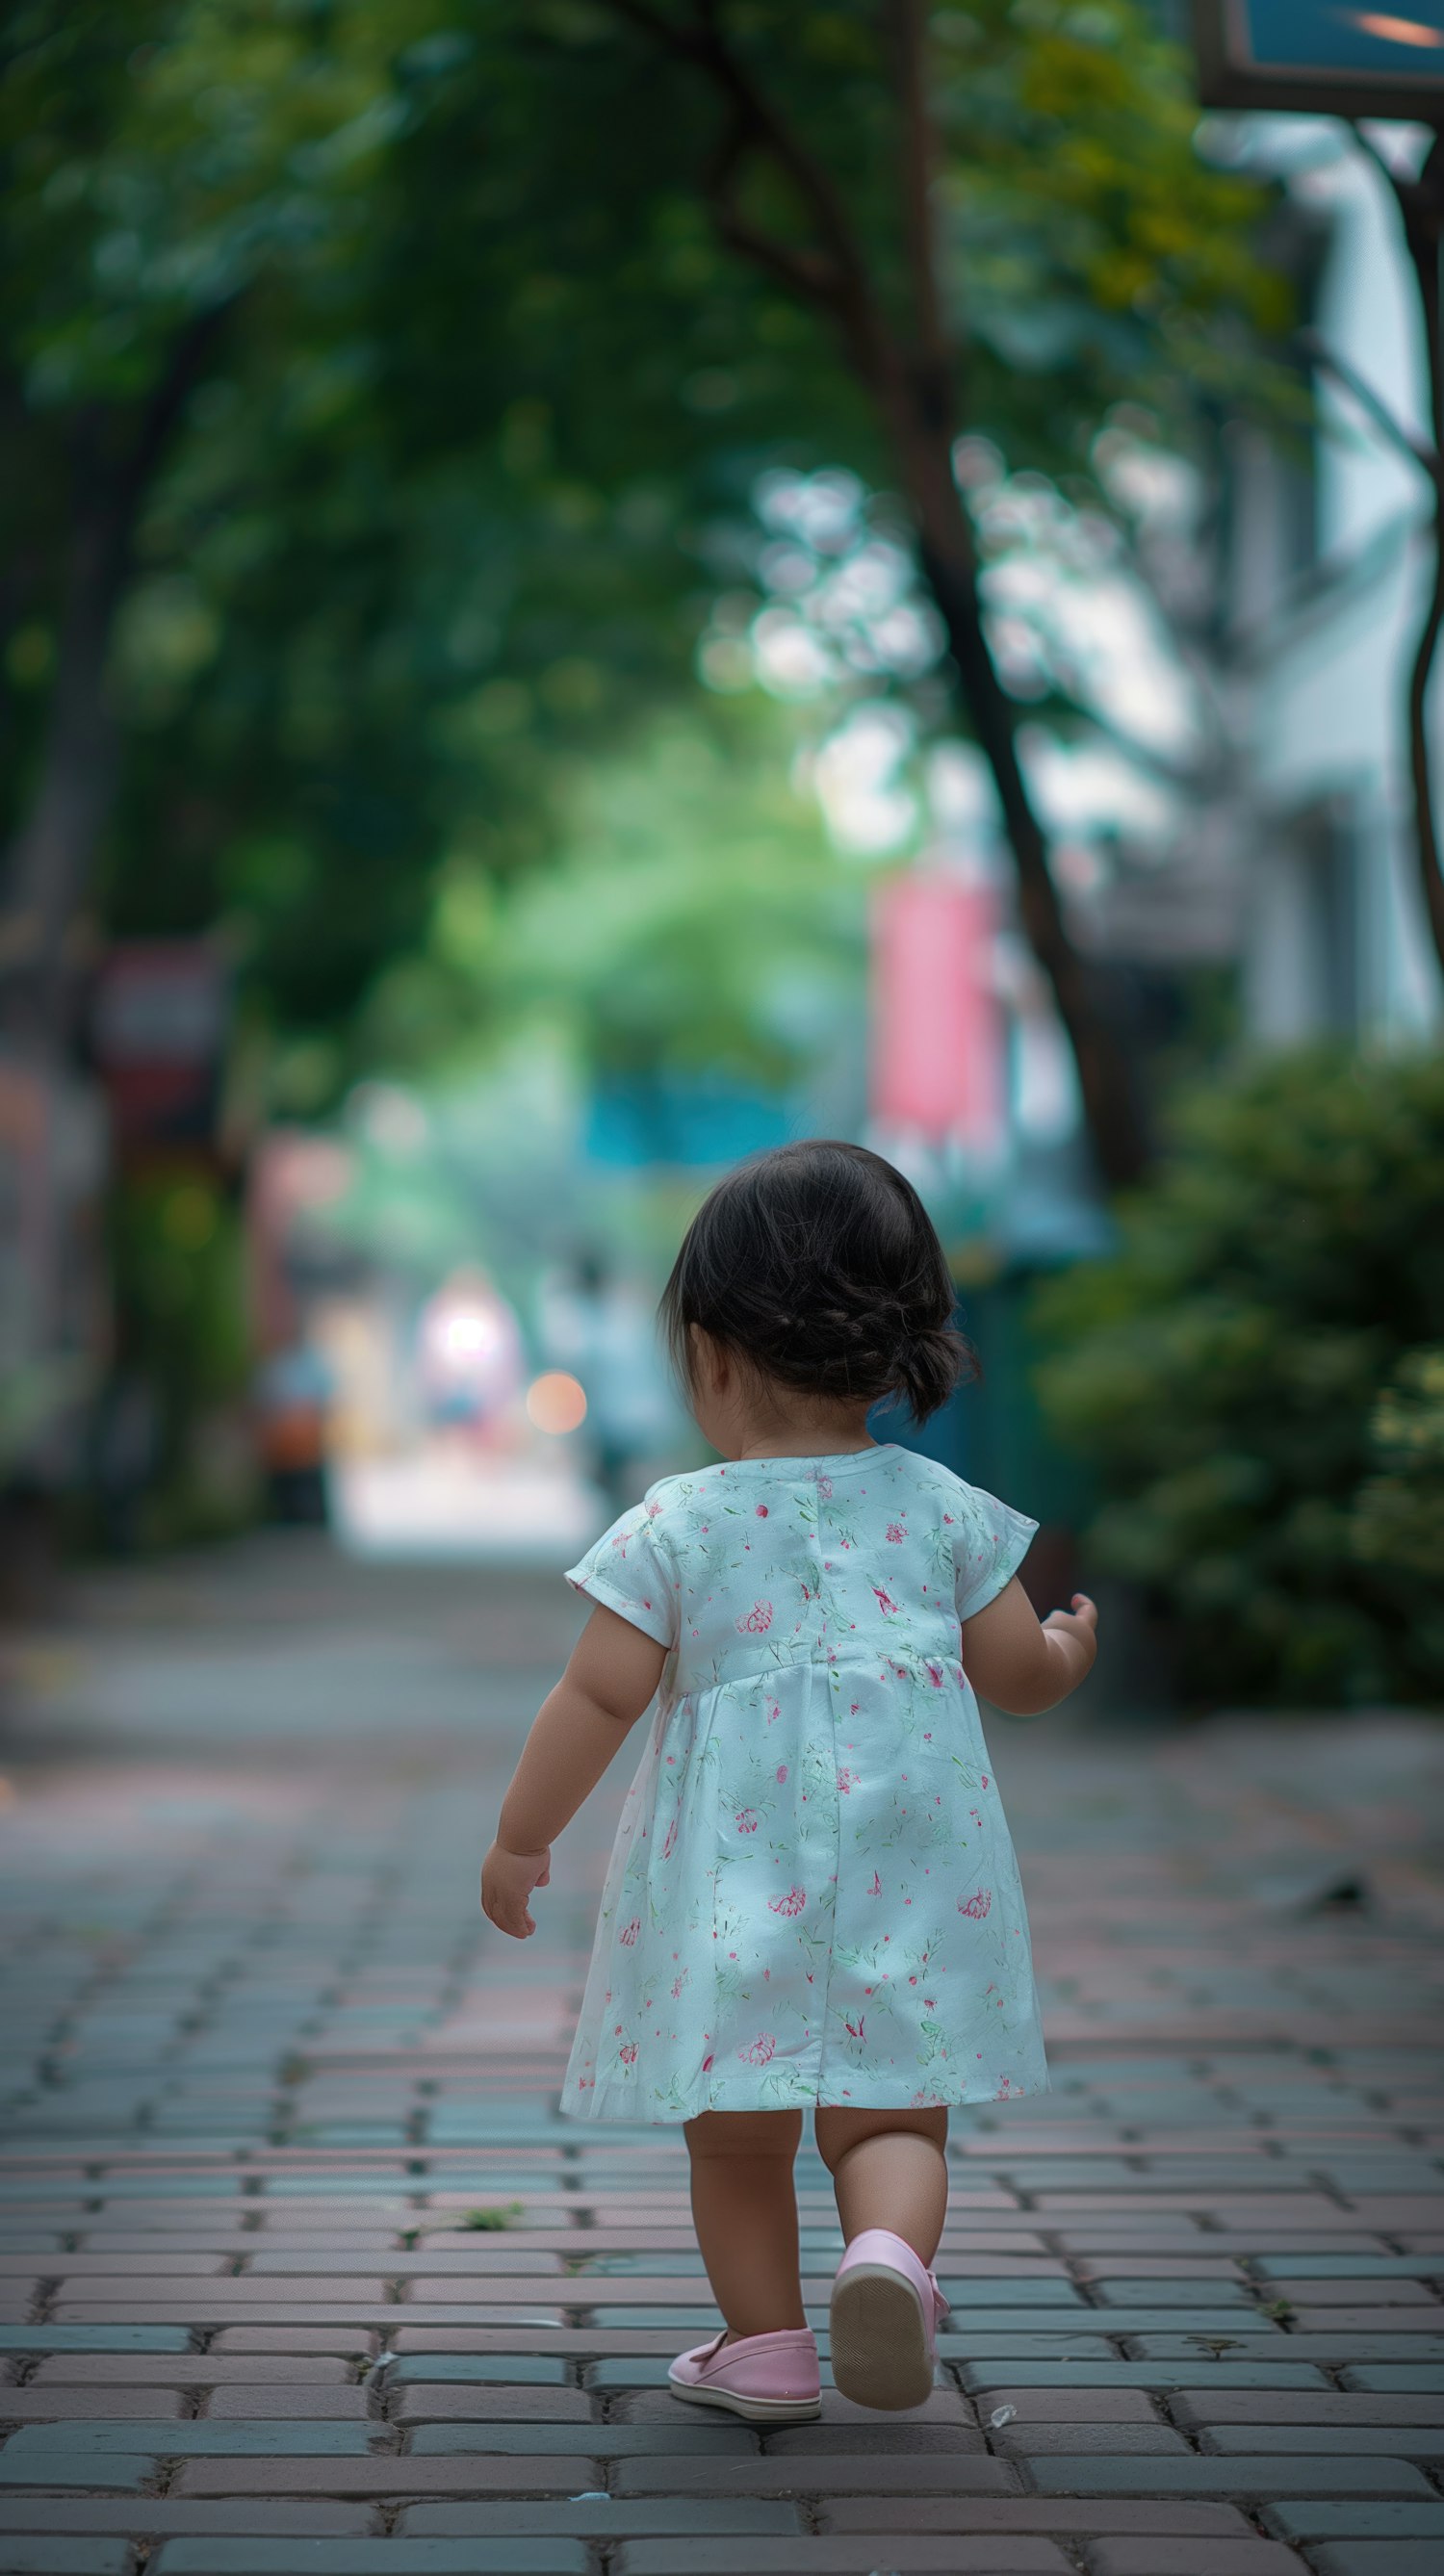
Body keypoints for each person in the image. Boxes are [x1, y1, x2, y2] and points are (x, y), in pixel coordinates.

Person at [481, 1139, 1097, 2420]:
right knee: (892, 2119)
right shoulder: (942, 1511)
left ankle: (762, 2348)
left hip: (731, 1885)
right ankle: (886, 2257)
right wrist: (1064, 1649)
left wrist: (522, 1837)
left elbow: (597, 1696)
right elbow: (1016, 1678)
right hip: (913, 1877)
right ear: (903, 1343)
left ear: (708, 1349)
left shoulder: (677, 1527)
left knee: (739, 2127)